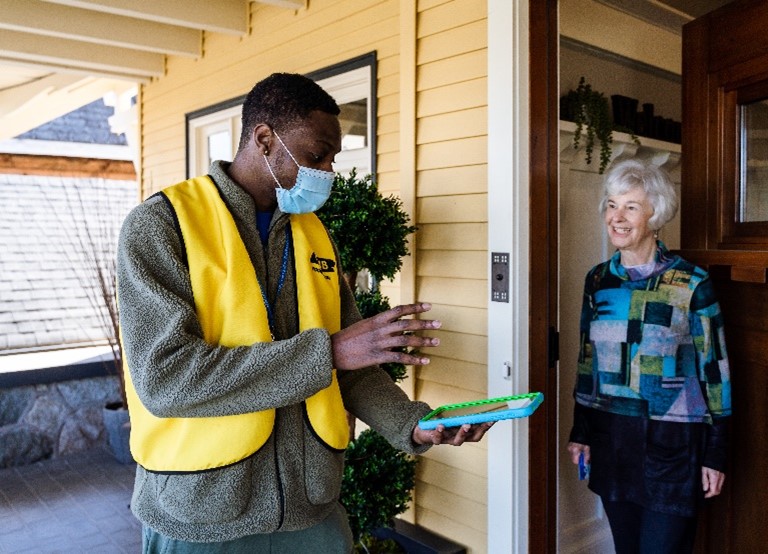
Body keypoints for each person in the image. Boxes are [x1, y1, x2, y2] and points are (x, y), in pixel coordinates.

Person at [117, 72, 492, 553]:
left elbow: (350, 368)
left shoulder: (315, 236)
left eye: (334, 158)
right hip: (202, 518)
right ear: (265, 139)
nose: (329, 171)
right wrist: (329, 352)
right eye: (317, 156)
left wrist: (414, 423)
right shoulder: (160, 226)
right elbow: (166, 379)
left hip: (312, 512)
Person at [566, 158, 731, 554]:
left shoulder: (692, 283)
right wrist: (581, 431)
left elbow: (716, 370)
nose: (616, 217)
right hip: (612, 439)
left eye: (630, 207)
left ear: (655, 214)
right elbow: (587, 359)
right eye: (611, 205)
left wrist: (716, 453)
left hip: (672, 444)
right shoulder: (598, 280)